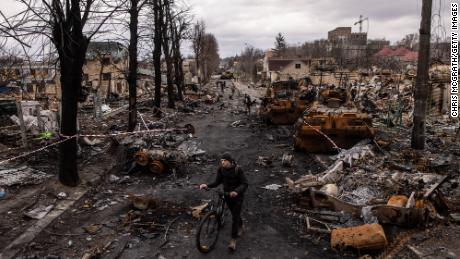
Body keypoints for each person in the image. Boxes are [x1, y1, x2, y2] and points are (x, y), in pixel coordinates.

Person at [199, 153, 248, 251]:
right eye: (221, 161)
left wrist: (236, 191)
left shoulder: (238, 169)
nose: (222, 162)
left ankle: (233, 240)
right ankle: (241, 223)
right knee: (234, 213)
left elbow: (245, 183)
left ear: (229, 161)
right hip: (227, 195)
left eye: (224, 160)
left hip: (237, 197)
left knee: (234, 217)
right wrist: (207, 185)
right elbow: (217, 182)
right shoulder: (221, 169)